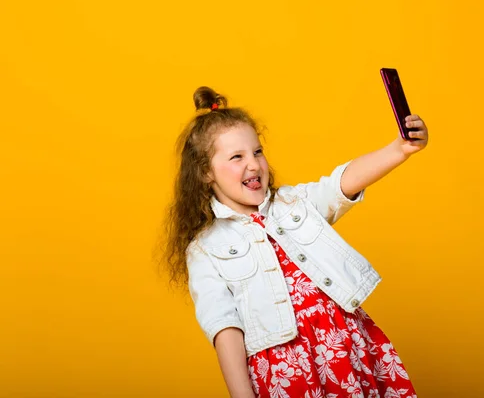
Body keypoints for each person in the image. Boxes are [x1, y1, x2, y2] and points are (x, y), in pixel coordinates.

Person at [163, 86, 429, 397]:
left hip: (344, 349)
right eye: (237, 157)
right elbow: (224, 328)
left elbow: (342, 184)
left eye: (257, 152)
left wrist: (399, 149)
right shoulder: (205, 248)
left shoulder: (293, 203)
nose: (253, 164)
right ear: (206, 172)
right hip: (288, 373)